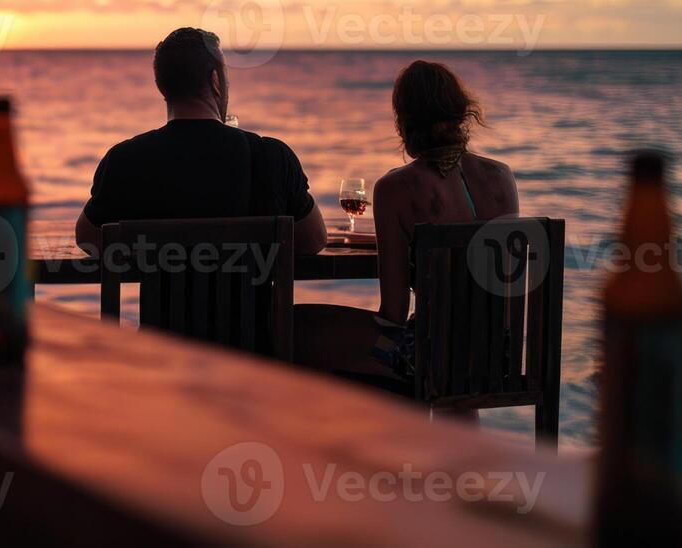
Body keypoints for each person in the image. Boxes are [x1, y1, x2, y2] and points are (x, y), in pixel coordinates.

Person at [294, 60, 519, 384]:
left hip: (430, 355)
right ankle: (444, 426)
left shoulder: (394, 189)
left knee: (299, 326)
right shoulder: (502, 177)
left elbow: (395, 313)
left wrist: (379, 343)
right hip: (497, 354)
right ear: (461, 112)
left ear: (404, 121)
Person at [74, 27, 327, 254]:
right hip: (253, 307)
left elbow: (88, 239)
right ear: (216, 81)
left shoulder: (125, 161)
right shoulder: (271, 157)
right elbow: (314, 240)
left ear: (161, 86)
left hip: (164, 308)